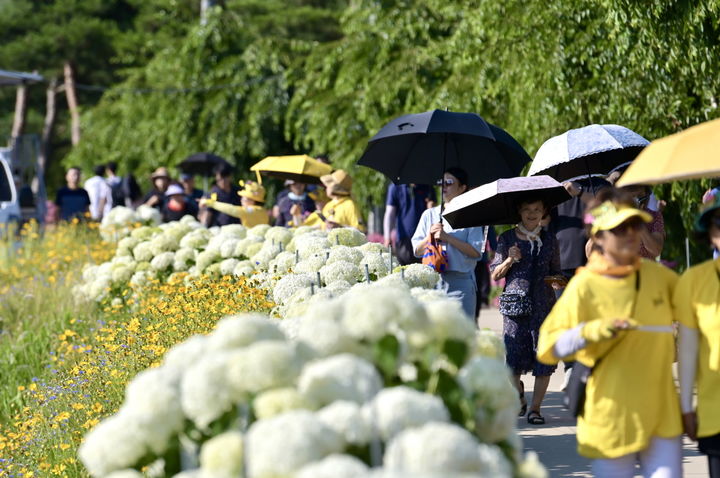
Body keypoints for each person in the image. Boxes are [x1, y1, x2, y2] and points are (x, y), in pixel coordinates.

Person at [537, 189, 682, 477]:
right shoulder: (584, 285)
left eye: (634, 224)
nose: (629, 233)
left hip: (661, 417)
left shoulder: (663, 279)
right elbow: (548, 346)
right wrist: (592, 332)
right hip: (611, 419)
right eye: (618, 228)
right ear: (598, 236)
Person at [489, 197, 562, 424]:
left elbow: (557, 272)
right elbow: (495, 274)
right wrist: (510, 259)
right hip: (515, 309)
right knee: (513, 361)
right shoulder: (507, 238)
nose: (532, 213)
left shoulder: (550, 239)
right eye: (527, 209)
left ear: (544, 212)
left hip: (543, 306)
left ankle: (535, 409)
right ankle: (518, 396)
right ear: (519, 212)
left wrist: (558, 282)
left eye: (537, 209)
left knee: (545, 359)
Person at [676, 196, 720, 478]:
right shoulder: (695, 281)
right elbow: (688, 349)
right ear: (708, 232)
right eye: (718, 223)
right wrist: (685, 408)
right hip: (715, 411)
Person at [411, 168, 484, 319]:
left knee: (462, 336)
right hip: (432, 283)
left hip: (461, 284)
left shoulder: (471, 217)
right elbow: (417, 250)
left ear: (462, 187)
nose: (444, 186)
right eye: (441, 182)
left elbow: (476, 253)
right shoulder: (429, 215)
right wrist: (429, 236)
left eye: (449, 183)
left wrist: (448, 238)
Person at [384, 183, 436, 265]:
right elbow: (390, 214)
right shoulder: (395, 187)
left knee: (423, 272)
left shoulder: (428, 187)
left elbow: (433, 212)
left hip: (423, 239)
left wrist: (431, 207)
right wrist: (387, 237)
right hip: (403, 239)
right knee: (403, 272)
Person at [299, 170, 365, 231]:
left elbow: (360, 230)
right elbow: (321, 225)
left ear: (335, 188)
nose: (325, 188)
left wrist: (340, 227)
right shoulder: (329, 204)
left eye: (328, 186)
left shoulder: (350, 205)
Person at [619, 184, 665, 259]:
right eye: (632, 197)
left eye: (640, 197)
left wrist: (638, 222)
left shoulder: (654, 216)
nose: (637, 201)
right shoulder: (615, 217)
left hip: (646, 268)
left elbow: (656, 250)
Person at [200, 180, 269, 228]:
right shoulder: (262, 210)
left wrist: (211, 203)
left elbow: (232, 209)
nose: (241, 200)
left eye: (244, 198)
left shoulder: (251, 210)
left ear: (252, 200)